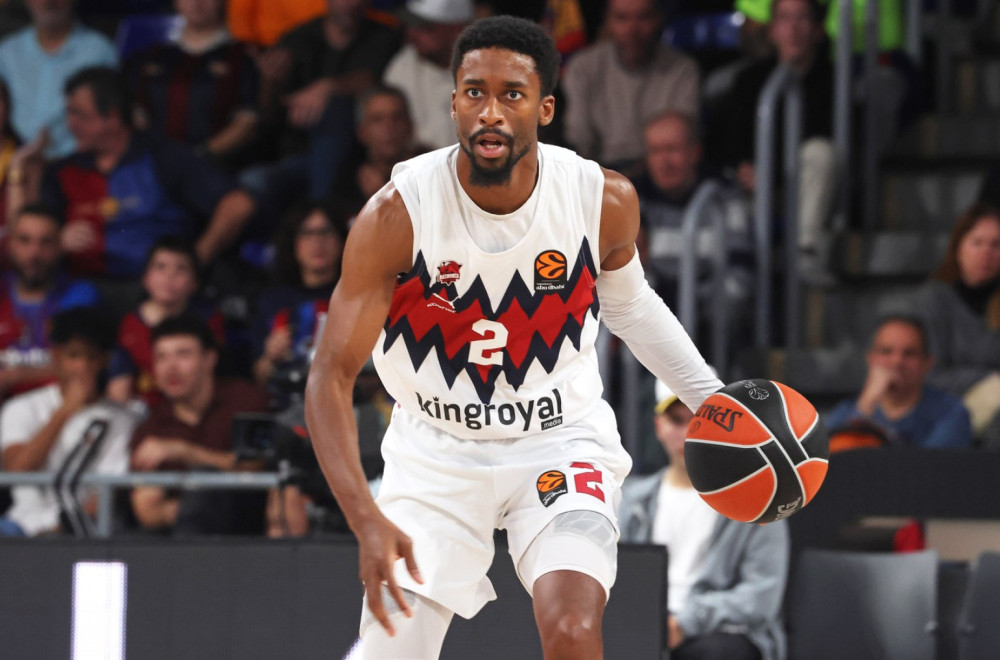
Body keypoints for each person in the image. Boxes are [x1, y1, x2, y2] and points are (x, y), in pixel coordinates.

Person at [304, 15, 721, 657]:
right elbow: (330, 375)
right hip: (435, 454)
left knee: (574, 628)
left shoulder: (600, 199)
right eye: (475, 92)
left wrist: (715, 402)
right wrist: (365, 517)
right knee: (394, 647)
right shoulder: (397, 214)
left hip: (559, 441)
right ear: (453, 103)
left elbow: (633, 308)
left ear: (545, 108)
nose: (491, 112)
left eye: (512, 94)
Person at [619, 379, 788, 660]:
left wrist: (685, 622)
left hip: (721, 633)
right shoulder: (632, 500)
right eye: (676, 420)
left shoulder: (757, 504)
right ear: (659, 426)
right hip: (643, 625)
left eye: (700, 420)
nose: (689, 432)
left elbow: (761, 595)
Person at [35, 66, 256, 281]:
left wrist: (192, 264)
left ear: (112, 117)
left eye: (79, 114)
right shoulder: (62, 171)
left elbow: (238, 204)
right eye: (69, 113)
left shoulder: (164, 158)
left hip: (153, 291)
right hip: (78, 290)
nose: (70, 124)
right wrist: (56, 241)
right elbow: (32, 234)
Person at [710, 0, 837, 284]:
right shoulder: (748, 80)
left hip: (805, 187)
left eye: (802, 18)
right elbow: (727, 142)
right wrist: (742, 166)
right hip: (756, 189)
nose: (793, 29)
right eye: (784, 19)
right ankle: (741, 273)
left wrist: (770, 171)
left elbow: (826, 137)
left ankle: (806, 252)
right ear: (772, 30)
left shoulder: (834, 81)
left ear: (817, 29)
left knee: (820, 153)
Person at [246, 0, 401, 209]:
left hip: (358, 154)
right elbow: (270, 116)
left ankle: (323, 214)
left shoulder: (385, 37)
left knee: (336, 110)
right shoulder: (298, 39)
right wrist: (269, 83)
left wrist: (330, 87)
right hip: (297, 150)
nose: (349, 4)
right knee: (254, 181)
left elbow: (380, 84)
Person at [0, 306, 139, 537]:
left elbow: (105, 495)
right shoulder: (22, 407)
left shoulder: (123, 420)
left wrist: (58, 532)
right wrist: (65, 411)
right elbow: (18, 468)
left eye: (92, 357)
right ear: (56, 356)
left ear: (105, 360)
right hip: (18, 528)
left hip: (81, 534)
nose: (82, 366)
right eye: (73, 356)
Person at [129, 313, 269, 534]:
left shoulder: (247, 401)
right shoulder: (150, 429)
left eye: (183, 354)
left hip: (251, 537)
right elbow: (148, 511)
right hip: (179, 542)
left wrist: (185, 452)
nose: (171, 368)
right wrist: (192, 509)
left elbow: (256, 467)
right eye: (161, 357)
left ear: (210, 359)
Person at [633, 110, 754, 351]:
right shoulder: (632, 200)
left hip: (709, 336)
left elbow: (741, 278)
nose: (664, 161)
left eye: (672, 150)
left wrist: (693, 309)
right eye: (655, 151)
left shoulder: (723, 197)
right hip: (648, 334)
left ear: (694, 153)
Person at [562, 0, 699, 174]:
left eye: (643, 17)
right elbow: (578, 142)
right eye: (622, 18)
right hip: (598, 175)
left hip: (660, 176)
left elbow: (681, 145)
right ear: (607, 21)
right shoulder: (583, 68)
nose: (632, 29)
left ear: (659, 19)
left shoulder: (682, 70)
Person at [124, 0, 259, 172]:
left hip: (221, 168)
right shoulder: (149, 57)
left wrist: (198, 156)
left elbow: (248, 123)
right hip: (156, 166)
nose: (196, 3)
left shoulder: (245, 57)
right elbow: (137, 115)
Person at [912, 204, 1000, 446]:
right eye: (977, 243)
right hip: (946, 408)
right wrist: (990, 380)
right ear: (958, 248)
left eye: (996, 245)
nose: (986, 253)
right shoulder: (934, 299)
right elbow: (930, 373)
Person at [107, 237, 225, 407]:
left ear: (195, 282)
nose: (169, 276)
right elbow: (119, 385)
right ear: (145, 278)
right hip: (143, 410)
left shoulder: (210, 320)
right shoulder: (129, 324)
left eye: (181, 268)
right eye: (160, 267)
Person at [825, 315, 973, 449]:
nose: (897, 362)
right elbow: (832, 458)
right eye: (886, 351)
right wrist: (865, 406)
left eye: (909, 353)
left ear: (927, 363)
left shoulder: (950, 413)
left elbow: (930, 466)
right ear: (870, 358)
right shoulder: (846, 411)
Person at [0, 203, 99, 401]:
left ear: (60, 245)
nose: (34, 253)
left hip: (57, 402)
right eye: (24, 240)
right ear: (10, 244)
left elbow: (81, 365)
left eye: (45, 242)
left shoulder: (79, 295)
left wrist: (13, 376)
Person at [0, 0, 117, 159]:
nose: (49, 2)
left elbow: (109, 122)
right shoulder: (6, 53)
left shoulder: (99, 52)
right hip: (10, 159)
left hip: (79, 162)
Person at [252, 202, 345, 391]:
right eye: (307, 233)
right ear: (293, 243)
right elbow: (259, 375)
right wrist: (271, 357)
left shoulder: (359, 297)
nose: (317, 242)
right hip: (287, 401)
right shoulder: (273, 301)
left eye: (325, 232)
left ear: (341, 240)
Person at [327, 85, 424, 224]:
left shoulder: (431, 171)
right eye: (378, 119)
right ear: (361, 131)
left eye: (397, 117)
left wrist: (382, 197)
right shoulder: (347, 182)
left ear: (410, 126)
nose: (389, 127)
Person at [383, 0, 473, 151]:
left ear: (457, 29)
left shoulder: (494, 67)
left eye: (424, 27)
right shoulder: (402, 67)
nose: (412, 33)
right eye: (410, 25)